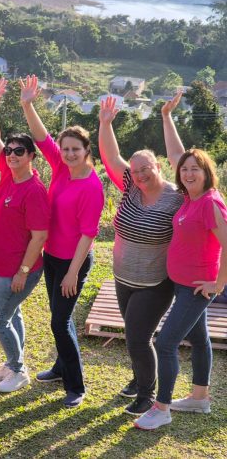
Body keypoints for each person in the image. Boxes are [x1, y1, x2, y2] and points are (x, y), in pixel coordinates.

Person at [19, 74, 104, 408]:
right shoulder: (60, 167)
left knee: (60, 321)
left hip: (74, 261)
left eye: (75, 149)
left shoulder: (91, 187)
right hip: (52, 255)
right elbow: (41, 137)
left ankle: (76, 386)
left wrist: (73, 272)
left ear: (86, 151)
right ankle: (59, 368)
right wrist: (28, 104)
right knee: (58, 315)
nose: (68, 154)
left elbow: (88, 234)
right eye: (65, 148)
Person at [98, 92, 184, 415]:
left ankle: (147, 394)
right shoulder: (131, 187)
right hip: (123, 278)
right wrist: (105, 123)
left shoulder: (177, 197)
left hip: (155, 283)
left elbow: (181, 158)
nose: (140, 175)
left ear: (158, 167)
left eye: (146, 168)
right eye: (136, 171)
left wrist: (166, 116)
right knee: (134, 334)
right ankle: (139, 379)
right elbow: (111, 155)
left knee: (137, 337)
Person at [134, 150, 227, 426]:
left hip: (196, 289)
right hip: (182, 284)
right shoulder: (190, 199)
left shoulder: (210, 203)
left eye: (195, 168)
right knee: (199, 339)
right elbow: (176, 153)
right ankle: (199, 398)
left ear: (207, 172)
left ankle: (161, 408)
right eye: (184, 169)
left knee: (165, 343)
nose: (188, 174)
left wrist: (219, 283)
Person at [0, 78, 50, 393]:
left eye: (19, 151)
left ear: (31, 156)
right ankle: (12, 364)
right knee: (12, 313)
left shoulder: (34, 191)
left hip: (17, 270)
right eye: (9, 151)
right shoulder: (9, 174)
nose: (11, 154)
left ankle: (18, 370)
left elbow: (39, 237)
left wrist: (22, 272)